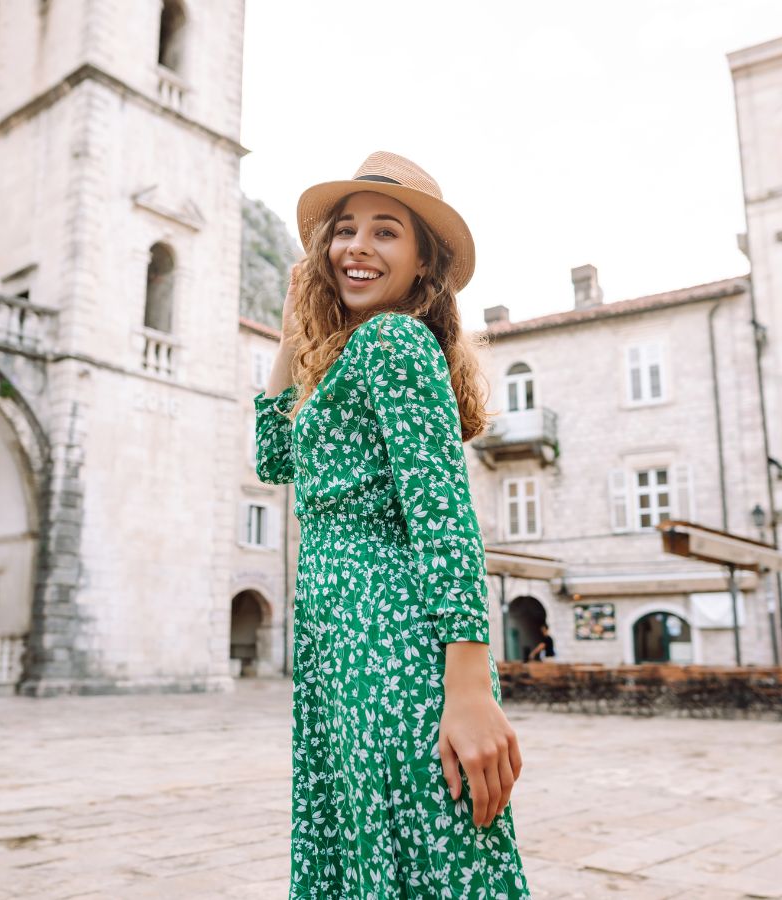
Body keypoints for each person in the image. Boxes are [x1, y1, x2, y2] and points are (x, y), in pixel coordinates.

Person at [254, 152, 530, 898]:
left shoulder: (394, 344)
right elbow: (275, 458)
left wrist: (470, 685)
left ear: (422, 262)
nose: (358, 247)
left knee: (424, 857)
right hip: (341, 650)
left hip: (389, 645)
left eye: (386, 232)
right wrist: (290, 336)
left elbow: (443, 514)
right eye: (344, 231)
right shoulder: (343, 361)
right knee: (374, 854)